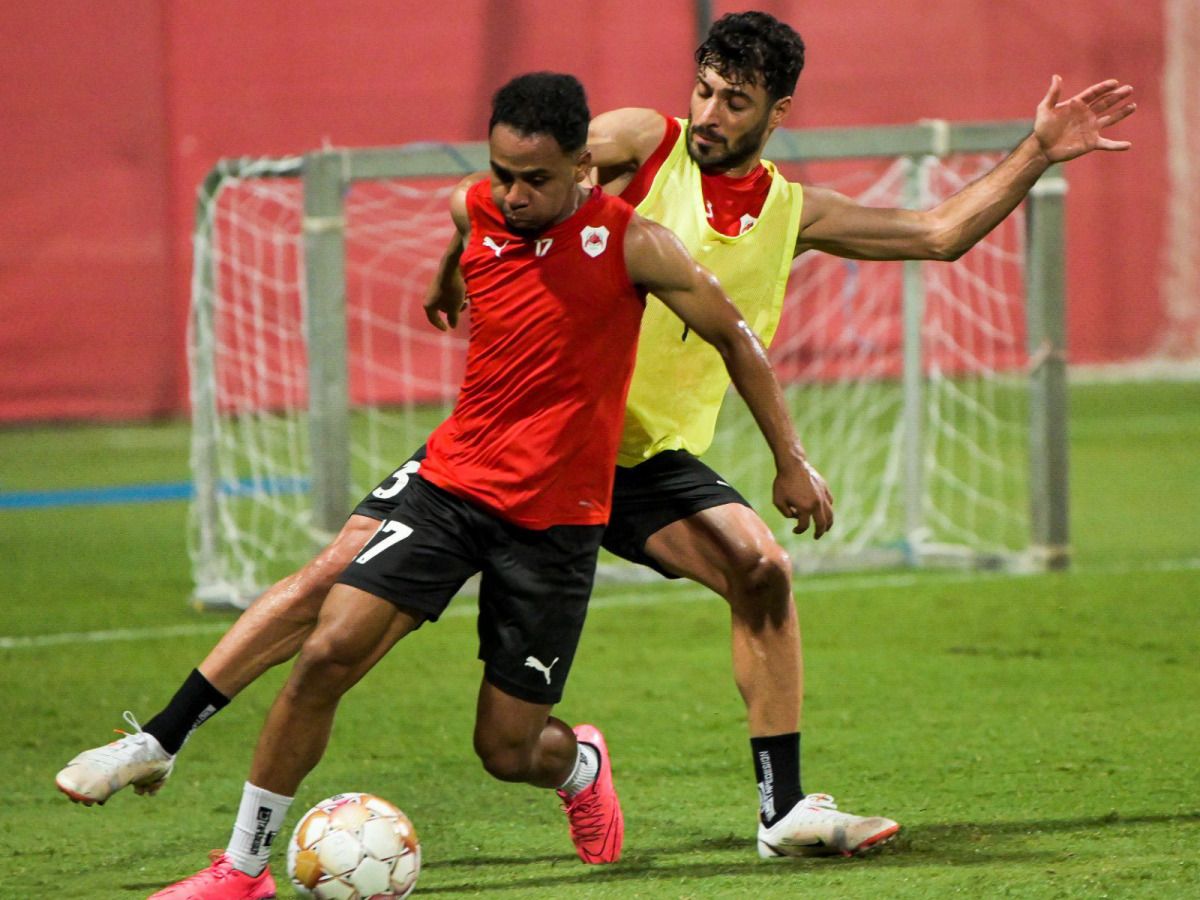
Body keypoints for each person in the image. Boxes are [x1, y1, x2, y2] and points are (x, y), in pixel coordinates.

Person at [58, 10, 1135, 861]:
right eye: (705, 88)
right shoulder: (644, 144)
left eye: (736, 100)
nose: (709, 112)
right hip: (518, 447)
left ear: (778, 110)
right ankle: (159, 739)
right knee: (326, 591)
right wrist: (458, 268)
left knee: (762, 570)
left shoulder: (793, 213)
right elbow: (524, 178)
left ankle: (784, 808)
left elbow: (938, 233)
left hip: (637, 467)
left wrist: (1038, 151)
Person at [132, 70, 830, 898]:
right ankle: (242, 869)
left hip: (556, 526)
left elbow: (737, 337)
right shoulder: (480, 205)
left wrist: (789, 459)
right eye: (503, 173)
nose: (513, 194)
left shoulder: (635, 244)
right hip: (453, 490)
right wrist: (445, 279)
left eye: (536, 179)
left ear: (584, 166)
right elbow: (464, 223)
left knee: (506, 748)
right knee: (326, 654)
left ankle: (579, 766)